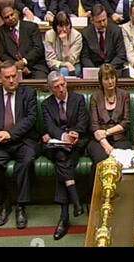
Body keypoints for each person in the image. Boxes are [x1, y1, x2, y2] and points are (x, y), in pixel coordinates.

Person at [0, 61, 38, 229]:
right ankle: (4, 203)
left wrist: (10, 134)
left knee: (27, 161)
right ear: (1, 78)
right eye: (8, 77)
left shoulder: (28, 94)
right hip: (0, 144)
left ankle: (21, 205)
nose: (12, 80)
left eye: (14, 76)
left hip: (22, 140)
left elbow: (30, 119)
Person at [41, 71, 89, 240]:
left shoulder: (78, 99)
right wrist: (63, 137)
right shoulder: (46, 104)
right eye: (56, 87)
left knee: (63, 160)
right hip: (57, 144)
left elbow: (83, 121)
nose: (61, 89)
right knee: (62, 156)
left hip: (76, 144)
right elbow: (49, 126)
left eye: (63, 84)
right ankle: (75, 200)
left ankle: (64, 217)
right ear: (50, 89)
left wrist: (75, 134)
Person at [87, 64, 132, 165]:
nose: (110, 82)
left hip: (120, 139)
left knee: (120, 160)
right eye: (106, 79)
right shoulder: (95, 97)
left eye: (112, 78)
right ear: (101, 81)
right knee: (102, 160)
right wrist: (106, 145)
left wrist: (107, 132)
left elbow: (126, 122)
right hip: (99, 141)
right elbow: (94, 126)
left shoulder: (124, 95)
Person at [0, 3, 49, 79]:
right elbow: (3, 54)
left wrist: (24, 62)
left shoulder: (31, 27)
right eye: (7, 17)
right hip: (14, 68)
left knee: (41, 80)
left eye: (12, 14)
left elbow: (38, 48)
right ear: (2, 19)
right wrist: (17, 65)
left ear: (16, 12)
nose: (10, 18)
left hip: (35, 66)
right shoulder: (1, 32)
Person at [81, 4, 128, 77]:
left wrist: (107, 69)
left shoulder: (116, 30)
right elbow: (85, 57)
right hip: (94, 70)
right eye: (99, 22)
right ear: (92, 21)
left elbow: (121, 54)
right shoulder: (86, 33)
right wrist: (95, 71)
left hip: (113, 69)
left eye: (104, 20)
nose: (102, 24)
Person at [44, 11, 83, 77]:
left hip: (74, 65)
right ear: (55, 26)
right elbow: (50, 60)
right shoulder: (49, 35)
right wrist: (65, 64)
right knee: (63, 71)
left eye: (67, 25)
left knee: (66, 71)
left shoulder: (77, 36)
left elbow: (72, 60)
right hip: (56, 66)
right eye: (61, 26)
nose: (64, 29)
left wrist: (65, 44)